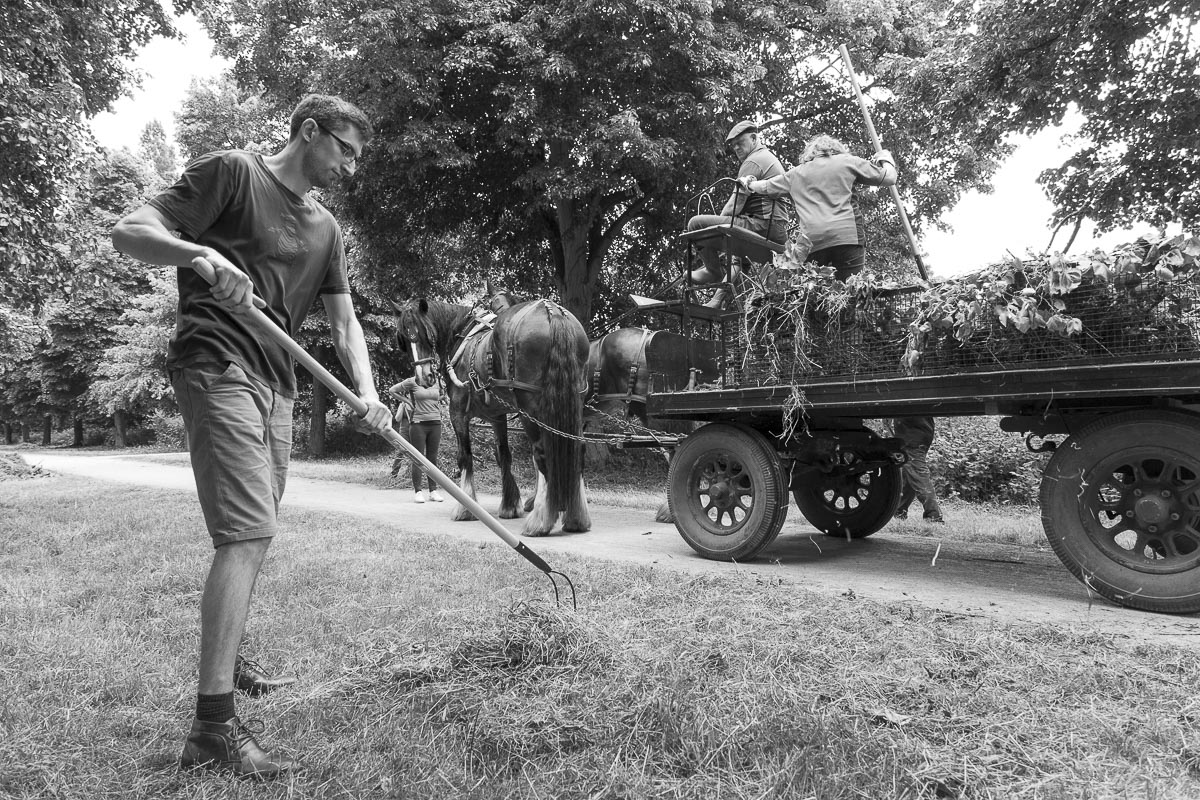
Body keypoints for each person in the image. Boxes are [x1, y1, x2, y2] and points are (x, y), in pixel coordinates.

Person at [111, 94, 393, 779]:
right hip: (217, 361)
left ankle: (230, 656)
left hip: (279, 385)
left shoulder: (326, 228)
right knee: (247, 534)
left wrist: (369, 391)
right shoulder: (232, 173)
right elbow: (129, 231)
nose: (351, 168)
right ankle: (212, 729)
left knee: (253, 528)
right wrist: (201, 255)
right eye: (345, 151)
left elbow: (346, 321)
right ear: (307, 130)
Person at [740, 134, 896, 281]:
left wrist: (749, 182)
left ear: (810, 153)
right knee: (850, 292)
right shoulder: (848, 161)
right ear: (835, 149)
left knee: (818, 294)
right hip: (847, 237)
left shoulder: (795, 174)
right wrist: (885, 158)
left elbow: (764, 186)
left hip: (813, 242)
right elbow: (889, 177)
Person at [686, 120, 790, 286]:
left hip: (763, 225)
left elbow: (735, 205)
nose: (736, 148)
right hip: (775, 228)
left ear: (754, 138)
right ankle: (716, 301)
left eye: (740, 143)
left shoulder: (753, 161)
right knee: (736, 261)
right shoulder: (766, 158)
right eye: (733, 146)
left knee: (695, 224)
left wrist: (715, 231)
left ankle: (712, 271)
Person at [387, 375, 446, 503]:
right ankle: (418, 491)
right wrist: (407, 401)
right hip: (418, 423)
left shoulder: (436, 381)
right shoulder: (411, 381)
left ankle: (433, 491)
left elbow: (443, 394)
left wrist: (433, 403)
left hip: (435, 422)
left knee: (432, 458)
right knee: (418, 458)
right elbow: (392, 390)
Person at [892, 416, 944, 523]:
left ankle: (933, 515)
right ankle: (899, 512)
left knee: (917, 474)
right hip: (922, 431)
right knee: (908, 473)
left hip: (911, 434)